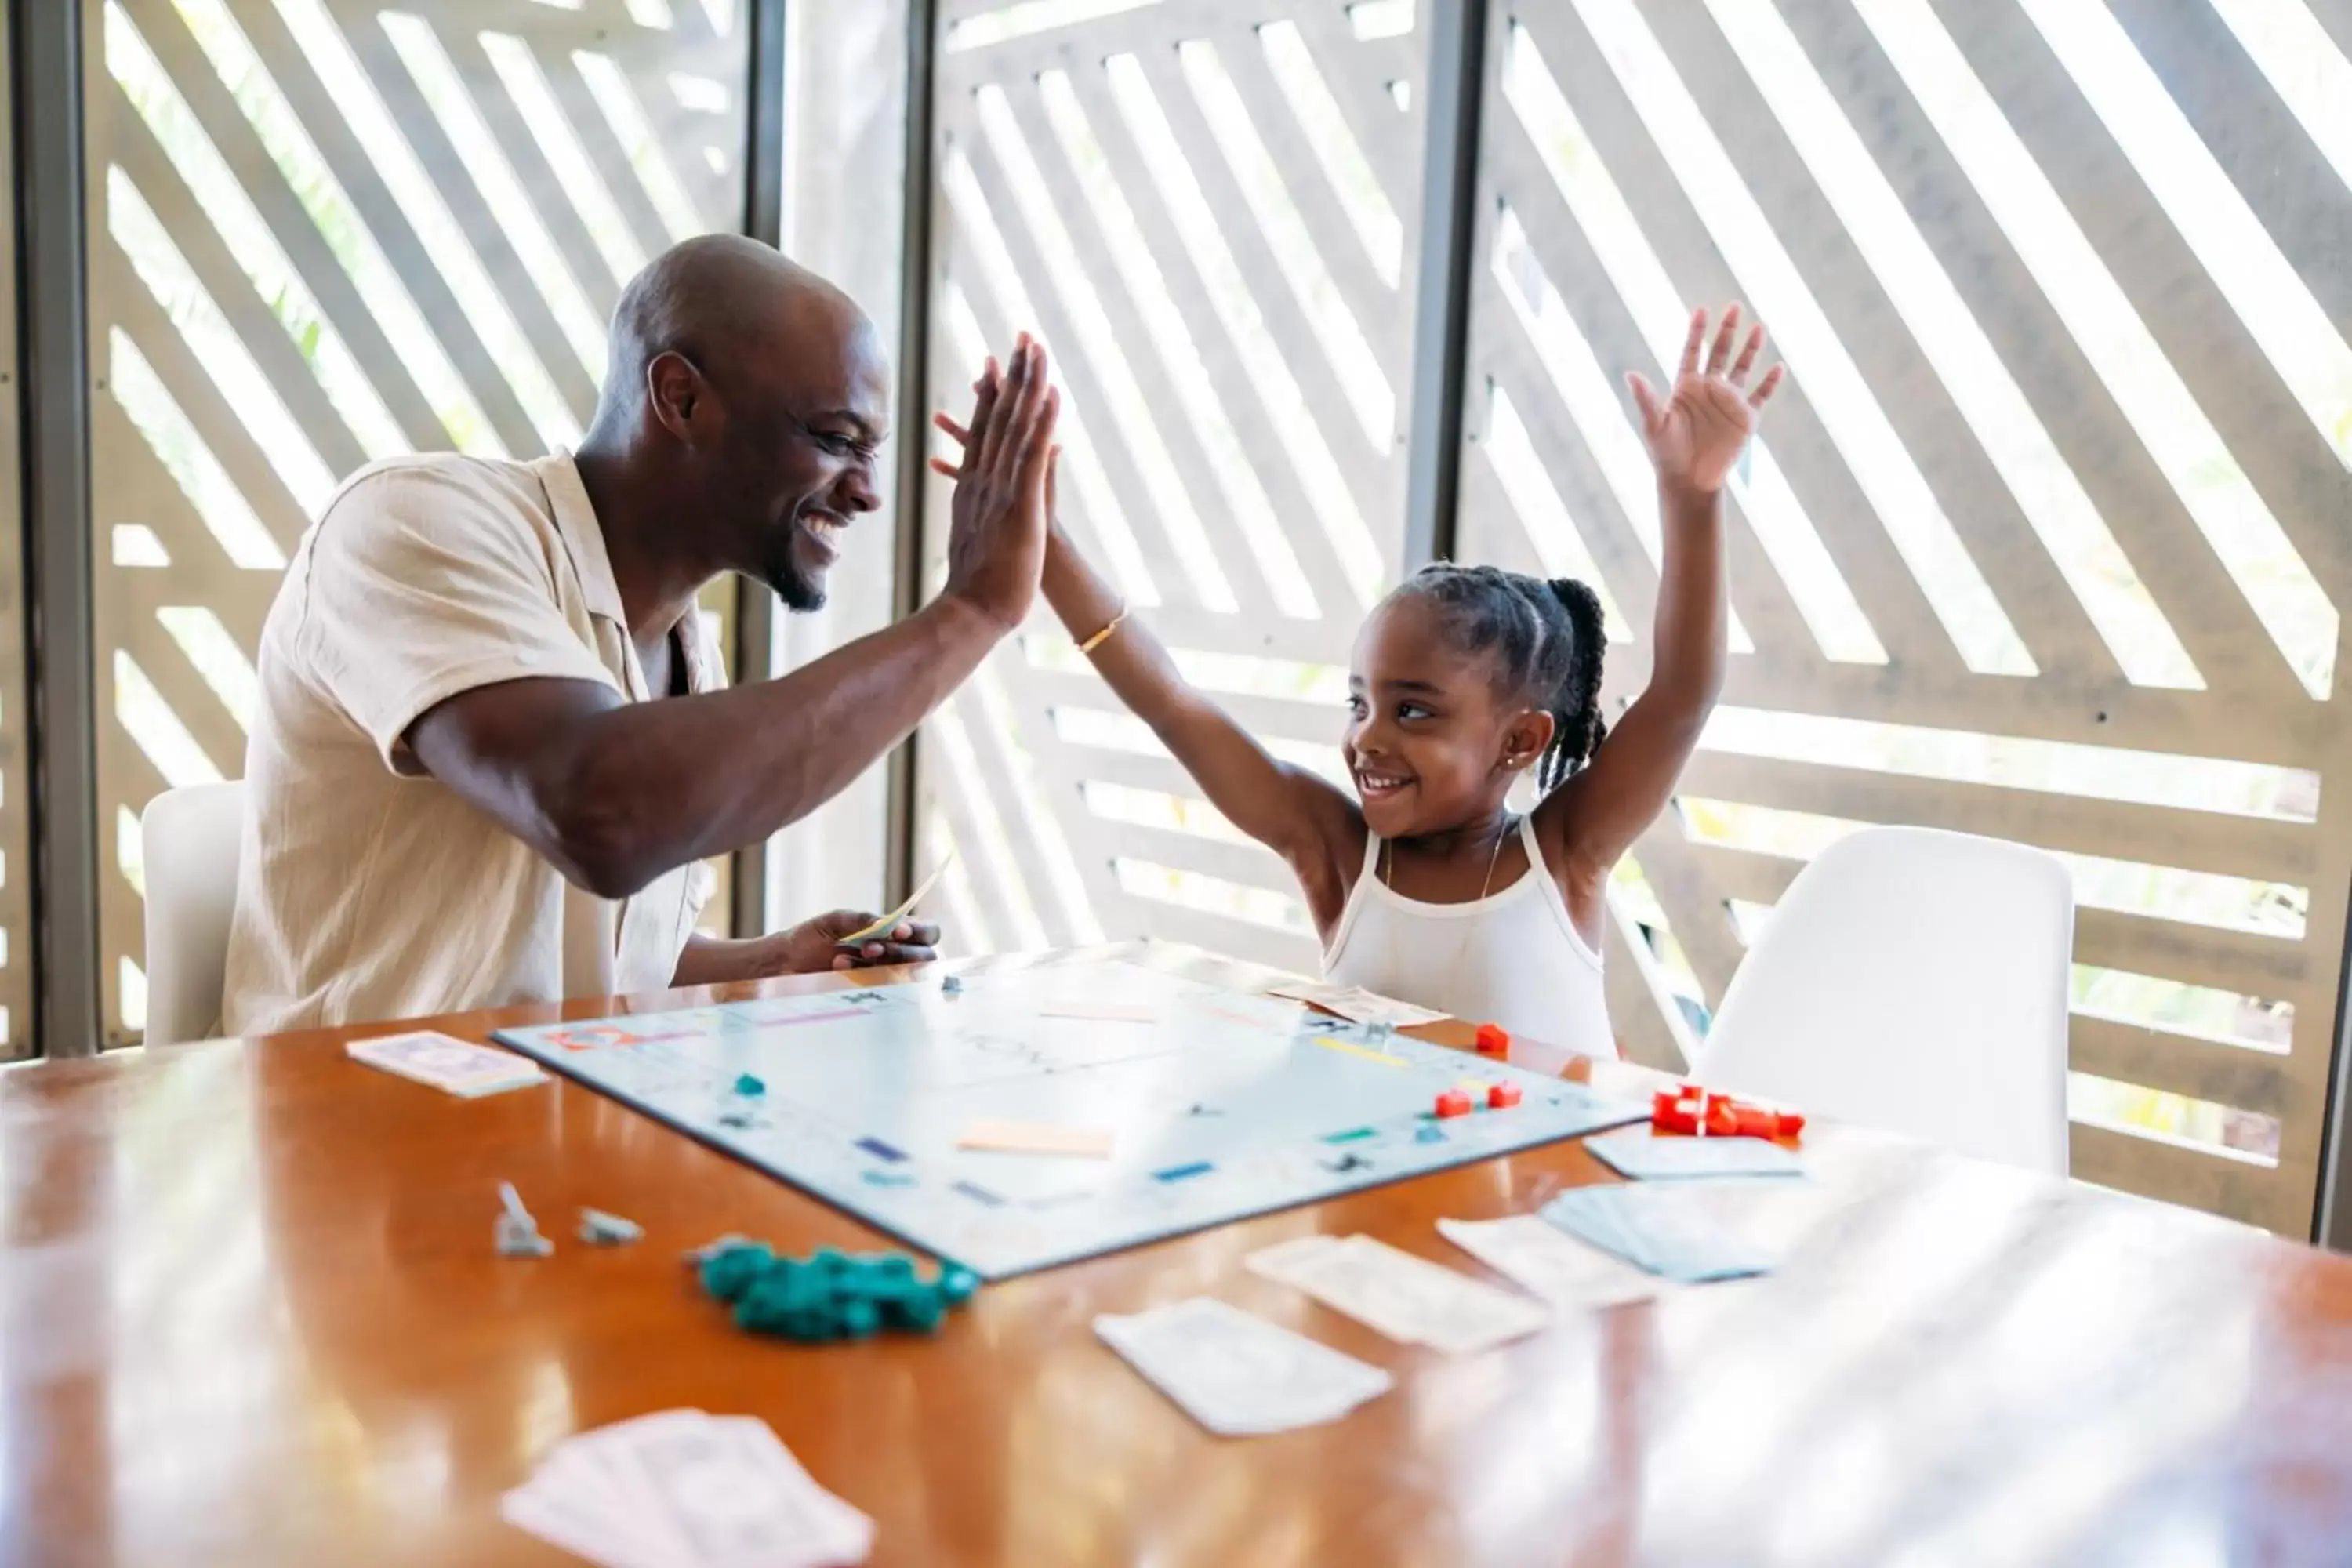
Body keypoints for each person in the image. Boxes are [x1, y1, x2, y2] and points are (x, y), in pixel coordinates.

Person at [220, 236, 1058, 1035]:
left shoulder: (686, 650)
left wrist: (774, 962)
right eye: (838, 440)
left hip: (534, 1143)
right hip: (346, 1142)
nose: (869, 493)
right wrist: (972, 611)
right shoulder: (414, 520)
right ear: (681, 398)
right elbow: (602, 819)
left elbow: (588, 955)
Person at [937, 306, 1779, 1056]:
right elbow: (1172, 702)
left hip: (1545, 1204)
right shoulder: (1339, 854)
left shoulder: (1563, 853)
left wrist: (1692, 497)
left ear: (1520, 740)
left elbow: (1680, 694)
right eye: (1360, 702)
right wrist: (1040, 536)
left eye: (1414, 710)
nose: (1369, 736)